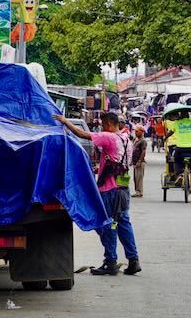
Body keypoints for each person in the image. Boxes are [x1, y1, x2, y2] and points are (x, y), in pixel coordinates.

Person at [53, 111, 141, 276]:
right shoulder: (126, 140)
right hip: (123, 189)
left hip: (109, 191)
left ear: (108, 124)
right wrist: (98, 169)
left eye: (102, 125)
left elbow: (81, 133)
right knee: (123, 223)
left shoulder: (109, 137)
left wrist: (65, 121)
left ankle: (111, 262)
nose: (101, 128)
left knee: (107, 225)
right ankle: (133, 259)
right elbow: (117, 162)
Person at [166, 111, 191, 193]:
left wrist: (164, 137)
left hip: (180, 149)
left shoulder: (177, 123)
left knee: (177, 162)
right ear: (188, 116)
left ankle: (179, 175)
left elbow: (169, 133)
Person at [132, 124, 147, 198]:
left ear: (141, 132)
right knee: (135, 178)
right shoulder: (136, 140)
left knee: (139, 178)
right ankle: (137, 191)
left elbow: (143, 152)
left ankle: (139, 191)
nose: (135, 133)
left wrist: (139, 161)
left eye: (137, 131)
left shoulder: (143, 141)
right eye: (135, 131)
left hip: (139, 162)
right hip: (135, 162)